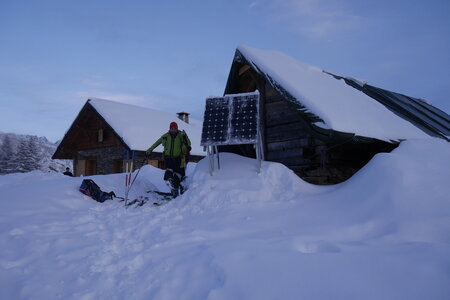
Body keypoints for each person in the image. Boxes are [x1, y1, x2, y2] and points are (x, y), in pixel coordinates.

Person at [146, 122, 191, 197]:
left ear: (177, 128)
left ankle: (176, 192)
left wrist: (185, 136)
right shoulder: (165, 136)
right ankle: (171, 185)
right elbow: (157, 143)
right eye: (172, 128)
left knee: (178, 177)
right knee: (168, 174)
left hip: (178, 159)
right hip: (168, 158)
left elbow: (188, 143)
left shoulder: (181, 135)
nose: (174, 130)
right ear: (169, 129)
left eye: (175, 128)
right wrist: (149, 150)